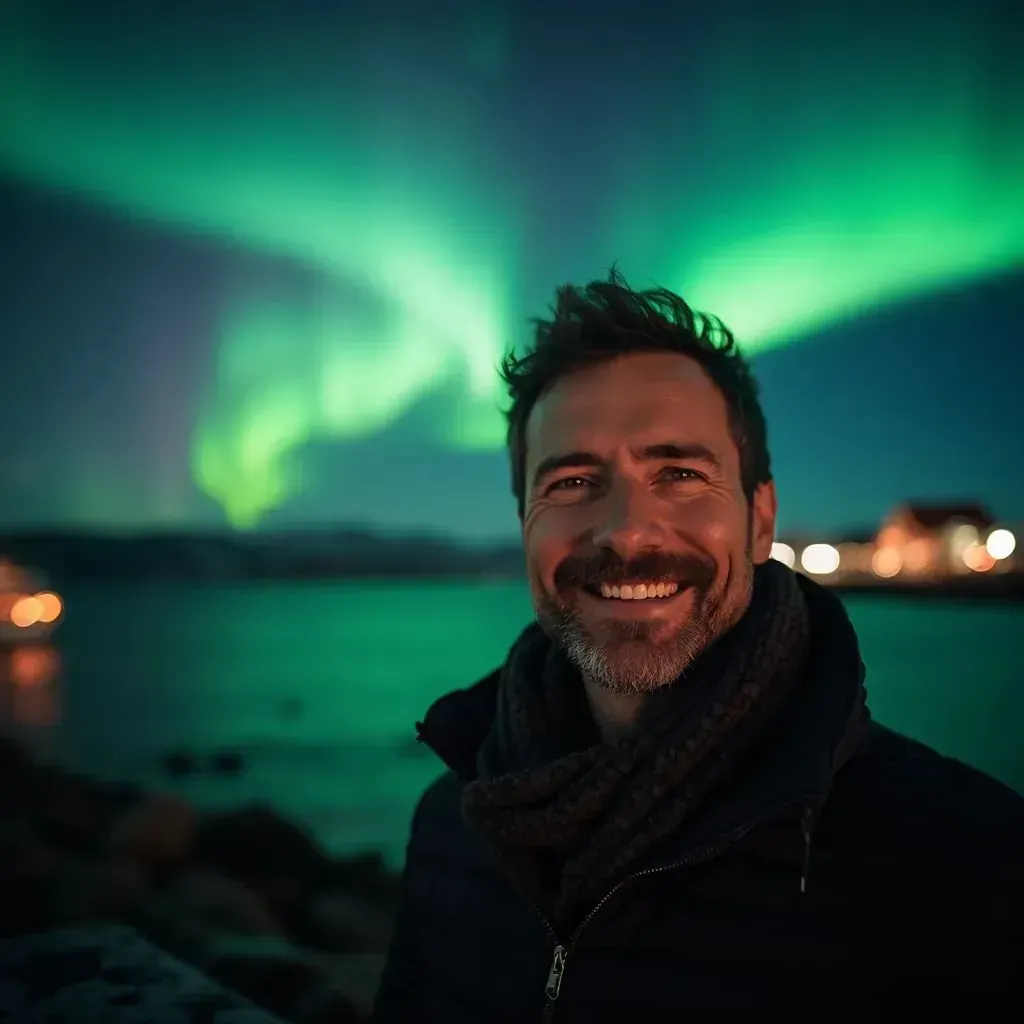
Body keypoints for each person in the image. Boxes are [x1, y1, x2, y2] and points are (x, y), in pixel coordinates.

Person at [372, 271, 1024, 1022]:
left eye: (679, 473)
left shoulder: (967, 864)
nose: (626, 530)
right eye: (574, 481)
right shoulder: (454, 822)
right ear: (526, 523)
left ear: (759, 520)